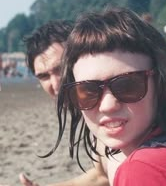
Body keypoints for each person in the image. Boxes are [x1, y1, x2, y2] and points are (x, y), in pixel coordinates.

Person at [52, 7, 166, 185]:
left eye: (128, 85)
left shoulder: (143, 169)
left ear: (160, 83)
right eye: (88, 91)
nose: (107, 105)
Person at [0, 20, 112, 186]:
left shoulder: (112, 108)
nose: (55, 84)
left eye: (61, 69)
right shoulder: (92, 111)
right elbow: (102, 175)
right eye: (44, 76)